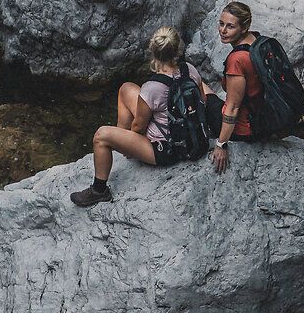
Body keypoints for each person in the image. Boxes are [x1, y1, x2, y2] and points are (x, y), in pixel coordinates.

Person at [70, 26, 215, 208]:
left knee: (101, 136)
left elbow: (138, 126)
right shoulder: (189, 70)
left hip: (167, 150)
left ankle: (100, 190)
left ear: (152, 51)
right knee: (126, 88)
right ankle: (121, 140)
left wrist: (131, 143)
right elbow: (202, 101)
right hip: (192, 135)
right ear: (178, 50)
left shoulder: (152, 87)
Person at [210, 0, 262, 175]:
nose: (223, 31)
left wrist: (221, 144)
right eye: (221, 24)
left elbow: (233, 107)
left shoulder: (237, 60)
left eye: (230, 26)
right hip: (261, 118)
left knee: (198, 87)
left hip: (243, 129)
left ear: (244, 28)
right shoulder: (257, 41)